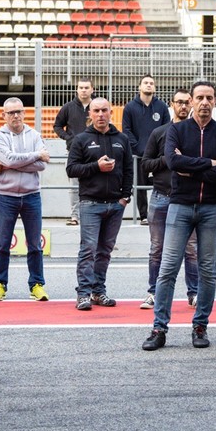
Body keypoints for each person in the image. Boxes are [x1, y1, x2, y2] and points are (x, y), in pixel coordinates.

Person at [142, 80, 216, 351]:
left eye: (209, 97)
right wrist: (209, 164)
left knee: (207, 270)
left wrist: (191, 167)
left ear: (215, 101)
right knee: (167, 269)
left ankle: (200, 325)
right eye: (199, 97)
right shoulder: (177, 131)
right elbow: (172, 162)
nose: (204, 102)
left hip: (213, 208)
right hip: (180, 206)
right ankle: (159, 328)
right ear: (191, 101)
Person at [66, 97, 134, 309]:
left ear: (111, 113)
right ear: (90, 114)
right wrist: (96, 166)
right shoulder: (81, 139)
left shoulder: (121, 139)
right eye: (96, 111)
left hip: (115, 205)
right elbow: (71, 169)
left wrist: (125, 197)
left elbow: (128, 170)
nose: (101, 114)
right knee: (88, 250)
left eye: (104, 110)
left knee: (105, 251)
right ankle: (83, 293)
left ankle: (98, 291)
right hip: (90, 204)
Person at [0, 97, 50, 302]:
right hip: (6, 197)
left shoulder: (35, 135)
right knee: (3, 244)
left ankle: (37, 285)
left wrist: (10, 164)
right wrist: (35, 155)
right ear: (3, 115)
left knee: (35, 244)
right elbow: (9, 159)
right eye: (11, 112)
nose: (15, 116)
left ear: (24, 113)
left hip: (32, 196)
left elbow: (41, 166)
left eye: (19, 112)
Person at [142, 89, 199, 310]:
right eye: (179, 102)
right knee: (157, 248)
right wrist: (169, 159)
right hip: (161, 197)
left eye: (186, 103)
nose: (183, 106)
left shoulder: (197, 133)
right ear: (171, 104)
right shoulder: (159, 132)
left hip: (187, 198)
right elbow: (146, 164)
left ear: (191, 104)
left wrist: (184, 161)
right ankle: (153, 292)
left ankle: (193, 293)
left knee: (191, 249)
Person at [121, 75, 168, 224]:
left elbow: (167, 129)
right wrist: (140, 149)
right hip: (138, 155)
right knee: (139, 186)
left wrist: (159, 150)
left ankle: (162, 212)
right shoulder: (130, 107)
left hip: (159, 156)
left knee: (162, 182)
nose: (149, 85)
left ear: (154, 87)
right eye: (146, 83)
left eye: (151, 83)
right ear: (139, 87)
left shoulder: (161, 106)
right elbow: (126, 131)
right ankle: (143, 215)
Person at [53, 79, 94, 224]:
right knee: (74, 186)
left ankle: (90, 215)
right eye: (81, 87)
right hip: (74, 152)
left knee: (92, 184)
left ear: (92, 90)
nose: (83, 90)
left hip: (94, 151)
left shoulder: (96, 107)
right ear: (77, 90)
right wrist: (68, 138)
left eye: (86, 87)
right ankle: (75, 216)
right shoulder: (68, 107)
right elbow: (57, 126)